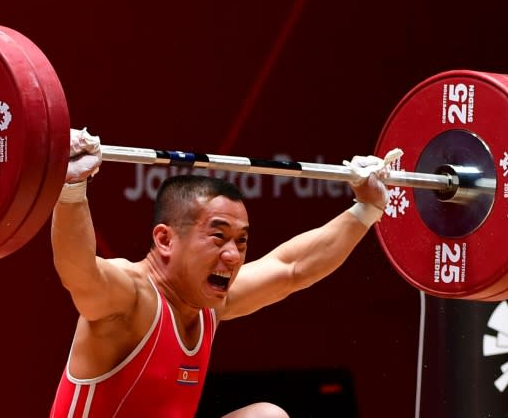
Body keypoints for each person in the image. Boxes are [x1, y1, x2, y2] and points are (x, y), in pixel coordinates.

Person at [49, 129, 396, 418]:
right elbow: (78, 271)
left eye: (241, 241)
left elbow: (292, 268)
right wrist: (72, 187)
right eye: (218, 237)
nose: (232, 255)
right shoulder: (130, 298)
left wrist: (367, 208)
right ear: (165, 240)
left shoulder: (209, 304)